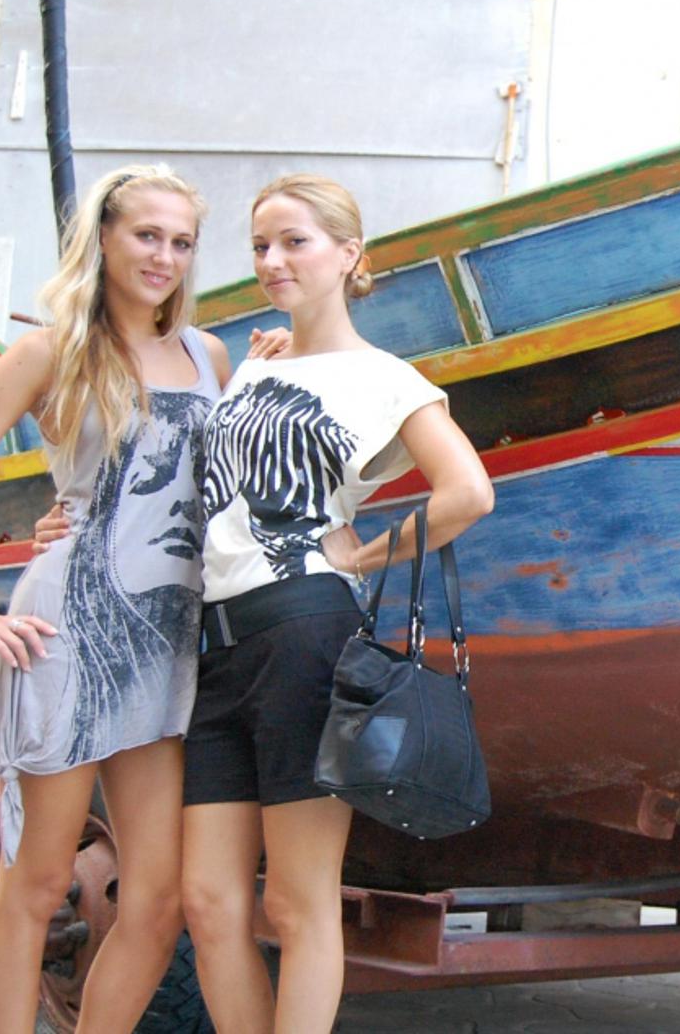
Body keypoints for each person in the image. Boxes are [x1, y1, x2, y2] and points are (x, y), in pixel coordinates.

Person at [0, 164, 282, 1032]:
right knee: (37, 882)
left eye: (181, 242)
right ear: (104, 238)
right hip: (66, 633)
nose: (164, 256)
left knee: (156, 899)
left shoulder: (209, 354)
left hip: (168, 642)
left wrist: (264, 383)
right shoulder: (50, 351)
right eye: (147, 235)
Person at [178, 173, 493, 1031]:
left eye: (296, 242)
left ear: (350, 254)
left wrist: (364, 551)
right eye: (260, 246)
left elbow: (468, 492)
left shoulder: (385, 377)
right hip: (215, 646)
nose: (273, 260)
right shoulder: (258, 362)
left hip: (304, 633)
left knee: (295, 900)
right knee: (207, 901)